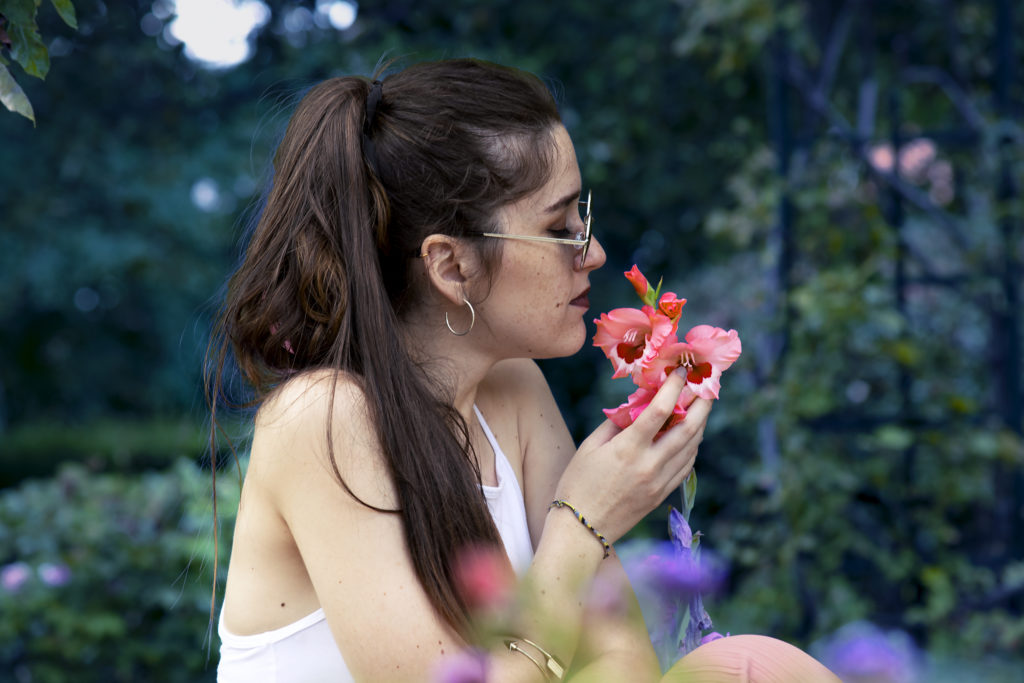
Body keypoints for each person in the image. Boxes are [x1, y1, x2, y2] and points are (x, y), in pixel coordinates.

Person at [209, 58, 838, 682]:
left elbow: (622, 670)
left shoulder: (511, 392)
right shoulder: (323, 418)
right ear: (452, 267)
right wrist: (582, 521)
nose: (593, 253)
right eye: (561, 228)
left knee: (748, 665)